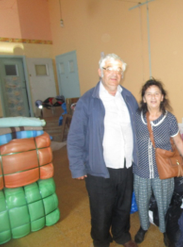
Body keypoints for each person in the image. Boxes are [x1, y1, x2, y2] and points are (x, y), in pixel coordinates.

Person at [67, 53, 138, 247]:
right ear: (100, 72)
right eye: (109, 69)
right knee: (101, 210)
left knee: (122, 207)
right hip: (99, 168)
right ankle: (100, 241)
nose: (114, 74)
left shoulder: (129, 97)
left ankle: (122, 235)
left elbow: (137, 128)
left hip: (126, 165)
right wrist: (77, 167)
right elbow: (75, 136)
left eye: (118, 70)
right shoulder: (88, 100)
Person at [133, 78, 183, 246]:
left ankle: (163, 230)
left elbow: (178, 142)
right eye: (149, 94)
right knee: (142, 200)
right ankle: (143, 227)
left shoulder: (170, 119)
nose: (153, 97)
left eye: (156, 94)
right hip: (141, 170)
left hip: (163, 171)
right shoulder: (136, 117)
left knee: (163, 202)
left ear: (162, 97)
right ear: (144, 98)